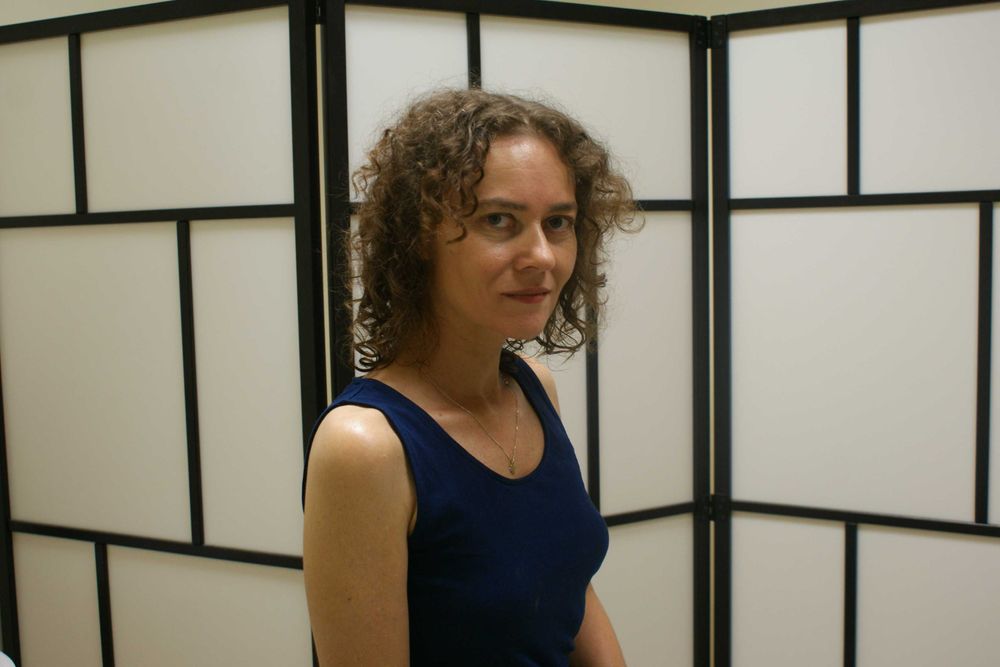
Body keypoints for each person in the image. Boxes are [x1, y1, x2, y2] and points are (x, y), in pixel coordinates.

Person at [303, 88, 635, 666]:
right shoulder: (367, 447)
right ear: (418, 239)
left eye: (558, 222)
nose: (542, 256)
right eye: (499, 220)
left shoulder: (534, 390)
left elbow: (566, 584)